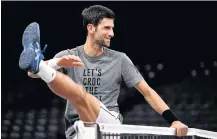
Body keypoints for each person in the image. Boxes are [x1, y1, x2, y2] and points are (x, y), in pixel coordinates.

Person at [19, 5, 188, 139]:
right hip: (78, 131)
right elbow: (31, 73)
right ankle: (38, 63)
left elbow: (148, 92)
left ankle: (39, 63)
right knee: (78, 97)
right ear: (91, 28)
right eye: (107, 28)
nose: (112, 33)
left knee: (81, 95)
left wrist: (173, 120)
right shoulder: (68, 55)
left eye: (112, 28)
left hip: (109, 127)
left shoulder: (120, 59)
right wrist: (57, 62)